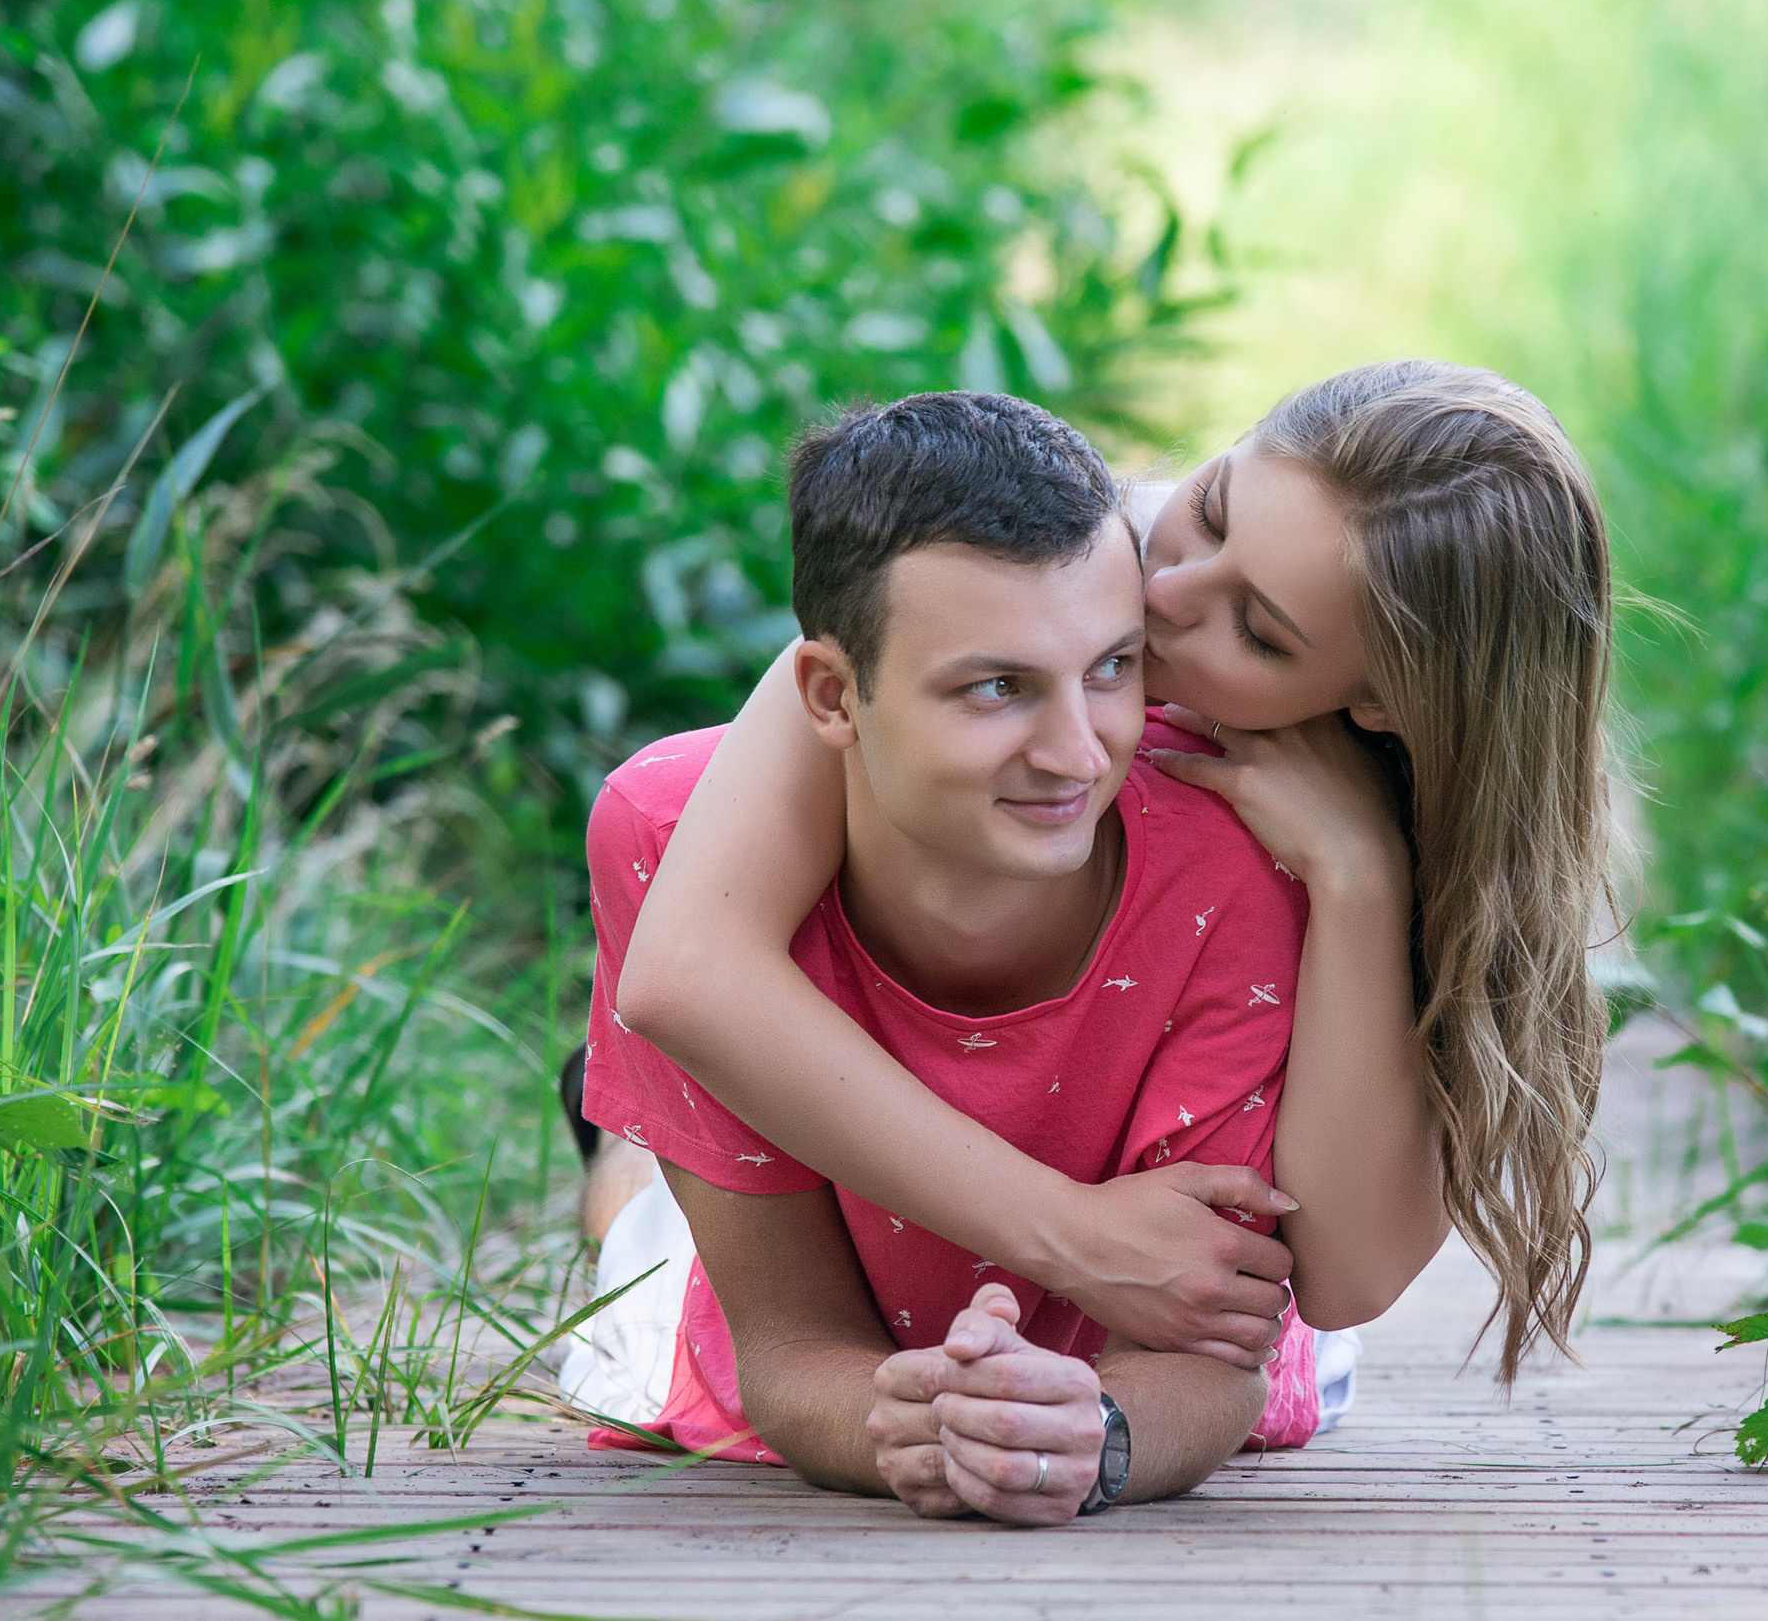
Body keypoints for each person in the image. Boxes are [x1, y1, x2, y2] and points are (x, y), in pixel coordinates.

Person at [606, 360, 1621, 1387]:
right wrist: (1073, 1236)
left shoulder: (1364, 825)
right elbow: (684, 968)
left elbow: (1343, 1278)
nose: (1164, 589)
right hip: (869, 1085)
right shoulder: (1044, 558)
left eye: (1258, 633)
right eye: (1213, 510)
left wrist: (1359, 878)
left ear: (1379, 705)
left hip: (1148, 1213)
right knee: (655, 1241)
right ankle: (623, 1147)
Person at [572, 393, 1344, 1523]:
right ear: (832, 696)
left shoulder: (1235, 855)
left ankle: (628, 1136)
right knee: (637, 1248)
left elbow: (1208, 1353)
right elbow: (787, 1347)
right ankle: (622, 1148)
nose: (1079, 754)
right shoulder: (668, 836)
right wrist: (912, 1429)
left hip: (1148, 1332)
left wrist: (1097, 1440)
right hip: (806, 1267)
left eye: (1114, 666)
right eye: (996, 687)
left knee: (651, 1195)